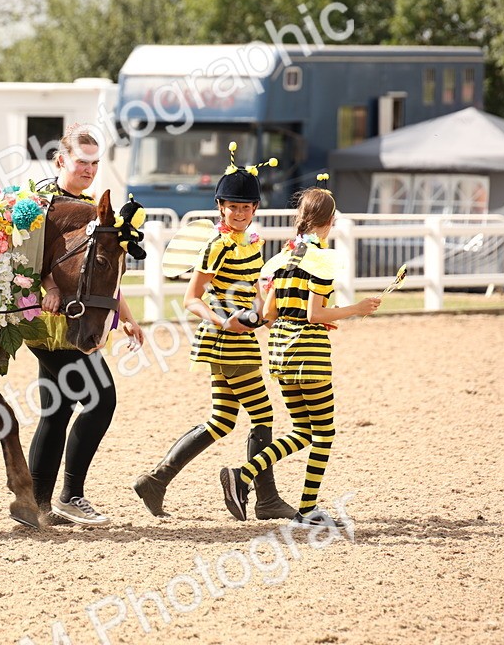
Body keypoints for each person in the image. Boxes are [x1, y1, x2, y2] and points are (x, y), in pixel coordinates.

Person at [133, 143, 297, 520]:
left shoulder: (251, 244)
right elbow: (191, 299)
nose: (239, 213)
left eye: (245, 207)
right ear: (220, 207)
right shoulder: (218, 246)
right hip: (226, 341)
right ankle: (266, 498)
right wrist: (225, 321)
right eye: (232, 207)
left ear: (255, 209)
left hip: (241, 336)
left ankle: (156, 481)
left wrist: (269, 313)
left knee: (222, 420)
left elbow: (256, 292)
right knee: (263, 416)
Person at [220, 185, 381, 528]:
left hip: (280, 352)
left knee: (302, 431)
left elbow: (270, 314)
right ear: (330, 220)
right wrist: (357, 308)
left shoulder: (281, 258)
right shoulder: (324, 258)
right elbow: (314, 314)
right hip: (309, 355)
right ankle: (306, 509)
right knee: (323, 433)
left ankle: (242, 475)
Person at [26, 126, 146, 526]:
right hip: (50, 323)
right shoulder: (39, 203)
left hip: (77, 320)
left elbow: (101, 275)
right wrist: (48, 286)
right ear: (61, 160)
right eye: (82, 162)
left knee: (57, 410)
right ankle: (70, 497)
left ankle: (36, 505)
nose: (89, 169)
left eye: (95, 163)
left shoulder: (95, 210)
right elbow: (30, 257)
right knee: (100, 400)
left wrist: (126, 318)